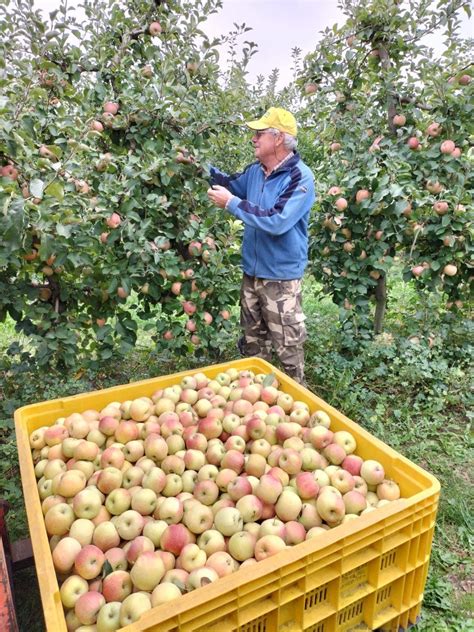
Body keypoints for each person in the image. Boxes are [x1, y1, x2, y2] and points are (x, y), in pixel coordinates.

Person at [207, 107, 316, 384]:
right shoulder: (256, 171)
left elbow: (277, 221)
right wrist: (196, 165)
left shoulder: (299, 178)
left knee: (288, 349)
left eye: (259, 134)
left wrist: (231, 203)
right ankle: (257, 402)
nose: (253, 139)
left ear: (278, 139)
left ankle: (296, 402)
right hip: (252, 275)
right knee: (253, 348)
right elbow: (229, 183)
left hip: (280, 280)